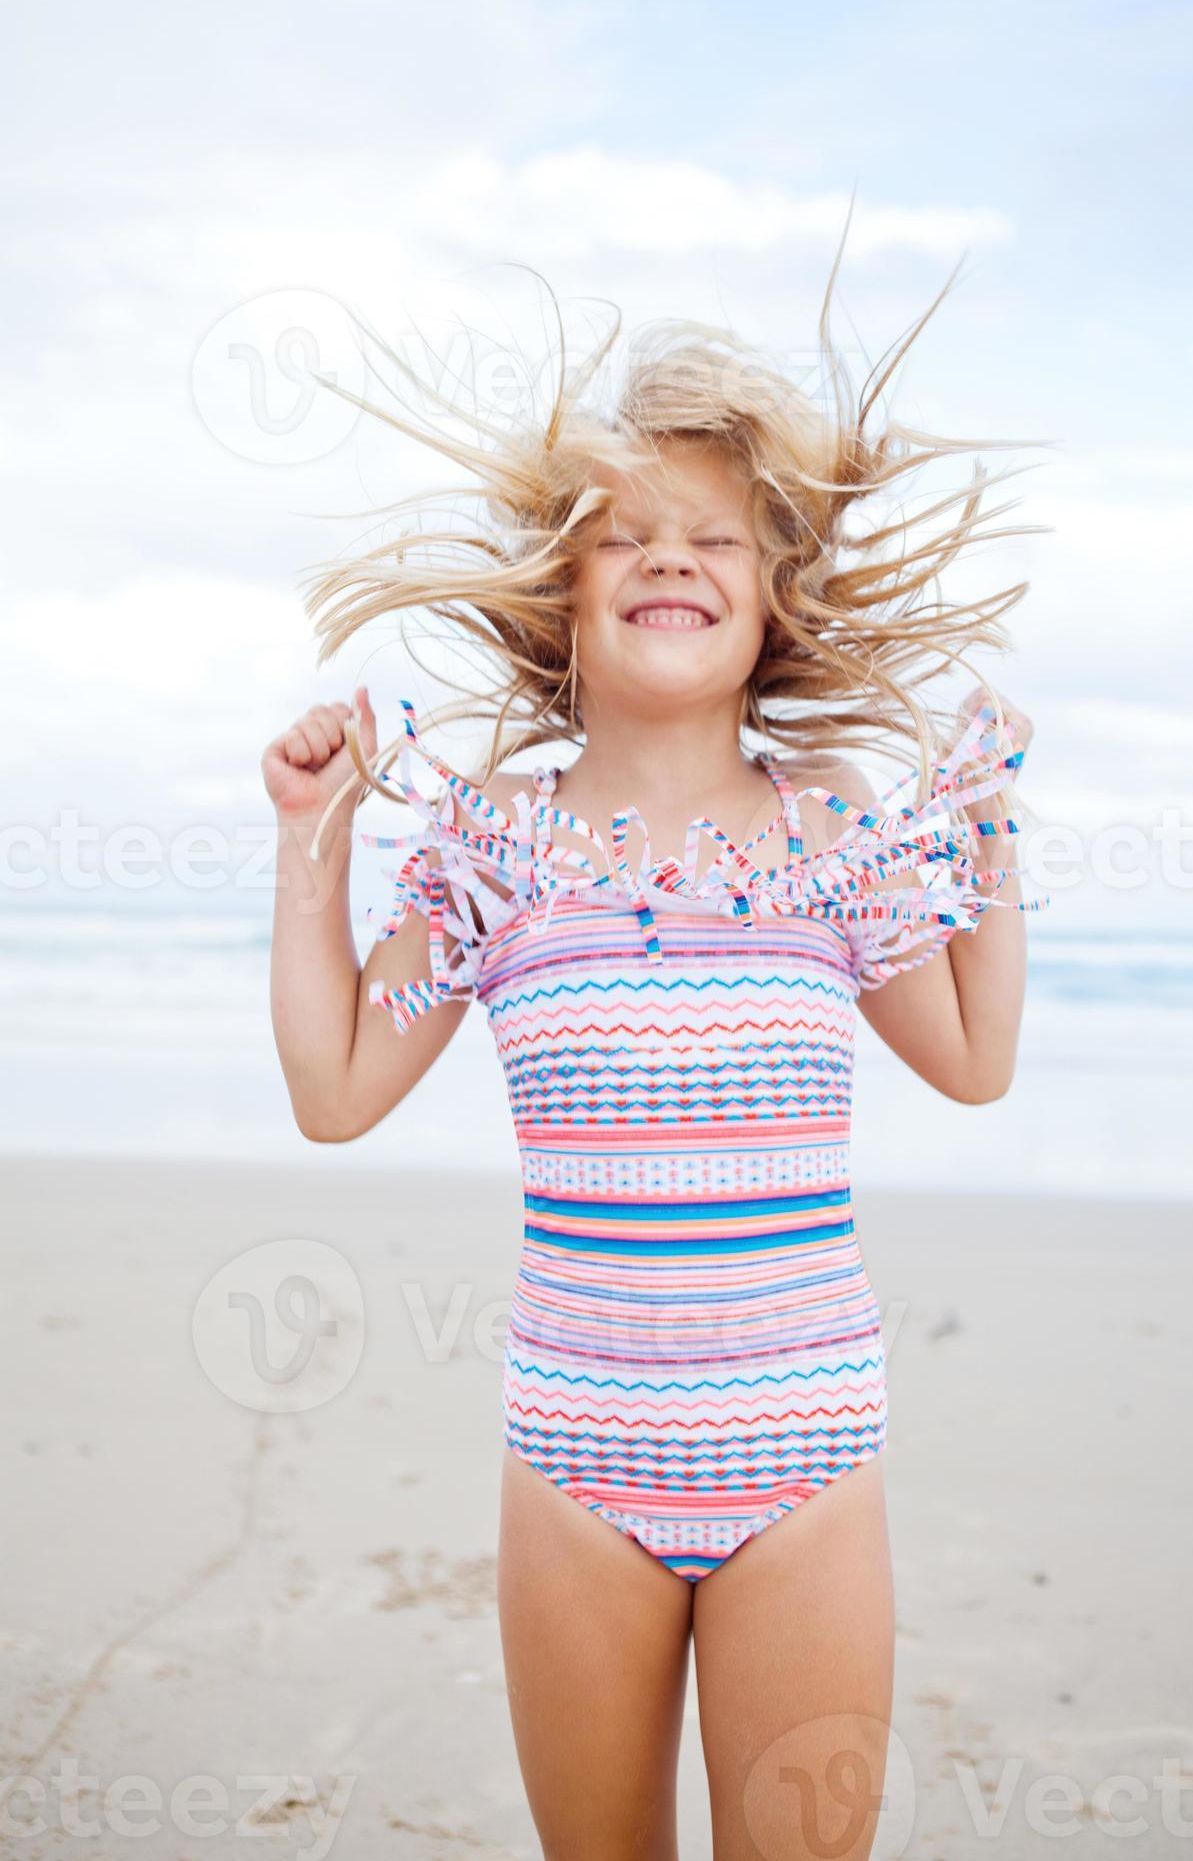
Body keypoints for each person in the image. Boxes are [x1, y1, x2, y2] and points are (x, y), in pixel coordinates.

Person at [262, 236, 1041, 1859]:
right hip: (574, 1464)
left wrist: (988, 845)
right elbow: (336, 1093)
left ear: (768, 604)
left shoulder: (831, 830)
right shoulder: (491, 848)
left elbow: (973, 1058)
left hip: (807, 1453)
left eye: (715, 542)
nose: (668, 559)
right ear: (565, 597)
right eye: (623, 537)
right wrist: (311, 839)